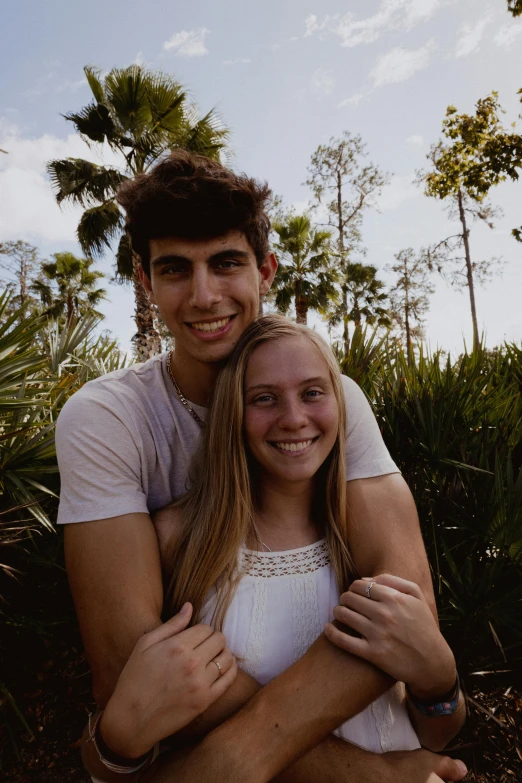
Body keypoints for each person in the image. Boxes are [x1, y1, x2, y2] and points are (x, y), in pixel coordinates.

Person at [57, 151, 467, 783]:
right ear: (144, 281)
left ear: (266, 270)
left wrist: (234, 756)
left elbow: (401, 618)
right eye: (174, 270)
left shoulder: (329, 400)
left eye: (225, 263)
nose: (203, 296)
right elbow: (134, 671)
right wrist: (366, 776)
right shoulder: (105, 420)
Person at [82, 316, 465, 782]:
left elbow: (437, 736)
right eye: (264, 398)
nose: (293, 418)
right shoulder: (179, 540)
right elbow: (143, 735)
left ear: (339, 402)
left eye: (312, 393)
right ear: (234, 415)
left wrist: (440, 682)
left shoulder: (360, 534)